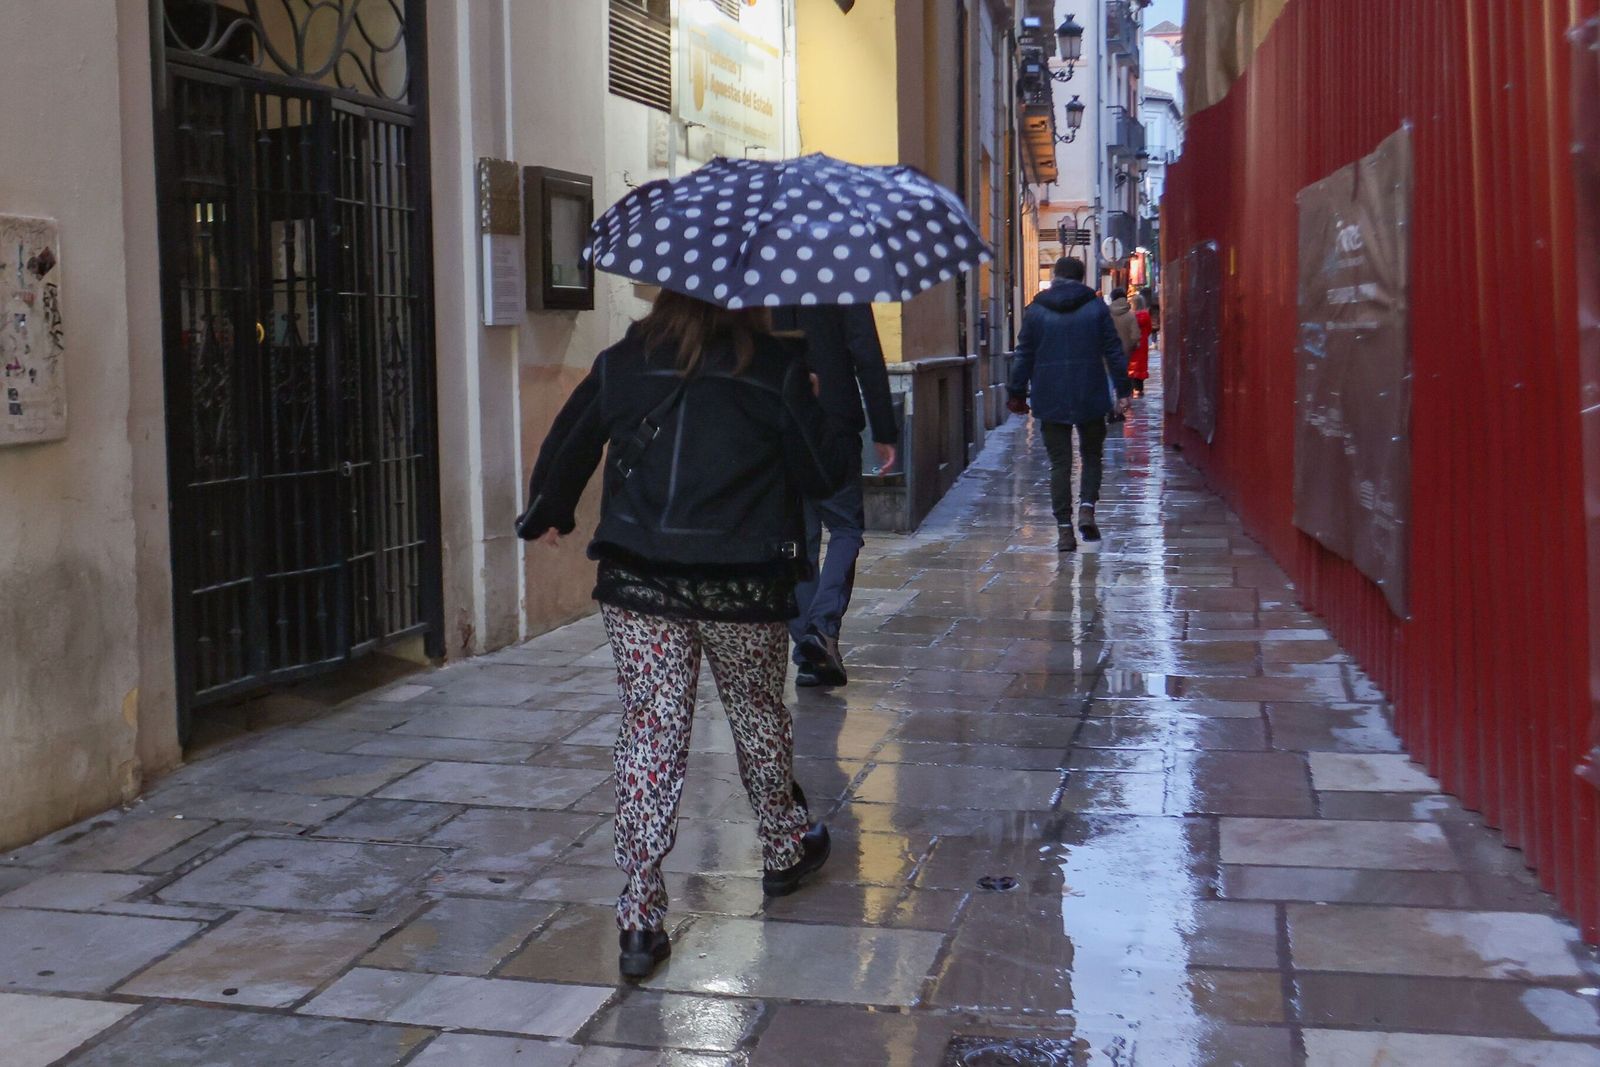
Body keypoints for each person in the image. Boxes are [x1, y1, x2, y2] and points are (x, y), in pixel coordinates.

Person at [517, 290, 858, 980]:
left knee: (651, 729)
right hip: (742, 581)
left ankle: (641, 915)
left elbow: (573, 434)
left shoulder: (627, 359)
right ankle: (785, 849)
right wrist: (816, 399)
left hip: (643, 582)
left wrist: (549, 506)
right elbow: (825, 472)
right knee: (757, 712)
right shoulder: (774, 366)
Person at [768, 305, 897, 689]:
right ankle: (821, 629)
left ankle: (811, 652)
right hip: (833, 421)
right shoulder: (841, 274)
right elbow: (867, 354)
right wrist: (884, 429)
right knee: (844, 528)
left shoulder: (761, 273)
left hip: (778, 422)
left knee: (797, 541)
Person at [1007, 257, 1131, 552]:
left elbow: (1023, 354)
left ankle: (1064, 530)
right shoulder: (1096, 308)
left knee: (1059, 463)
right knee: (1091, 455)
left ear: (1053, 277)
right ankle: (1087, 507)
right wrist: (1123, 390)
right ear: (1082, 277)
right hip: (1090, 391)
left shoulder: (1036, 312)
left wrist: (1016, 393)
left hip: (1050, 395)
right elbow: (1113, 350)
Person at [1129, 292, 1153, 398]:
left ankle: (1130, 387)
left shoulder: (1130, 316)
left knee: (1131, 363)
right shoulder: (1146, 316)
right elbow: (1149, 329)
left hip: (1132, 342)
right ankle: (1139, 388)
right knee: (1141, 364)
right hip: (1142, 343)